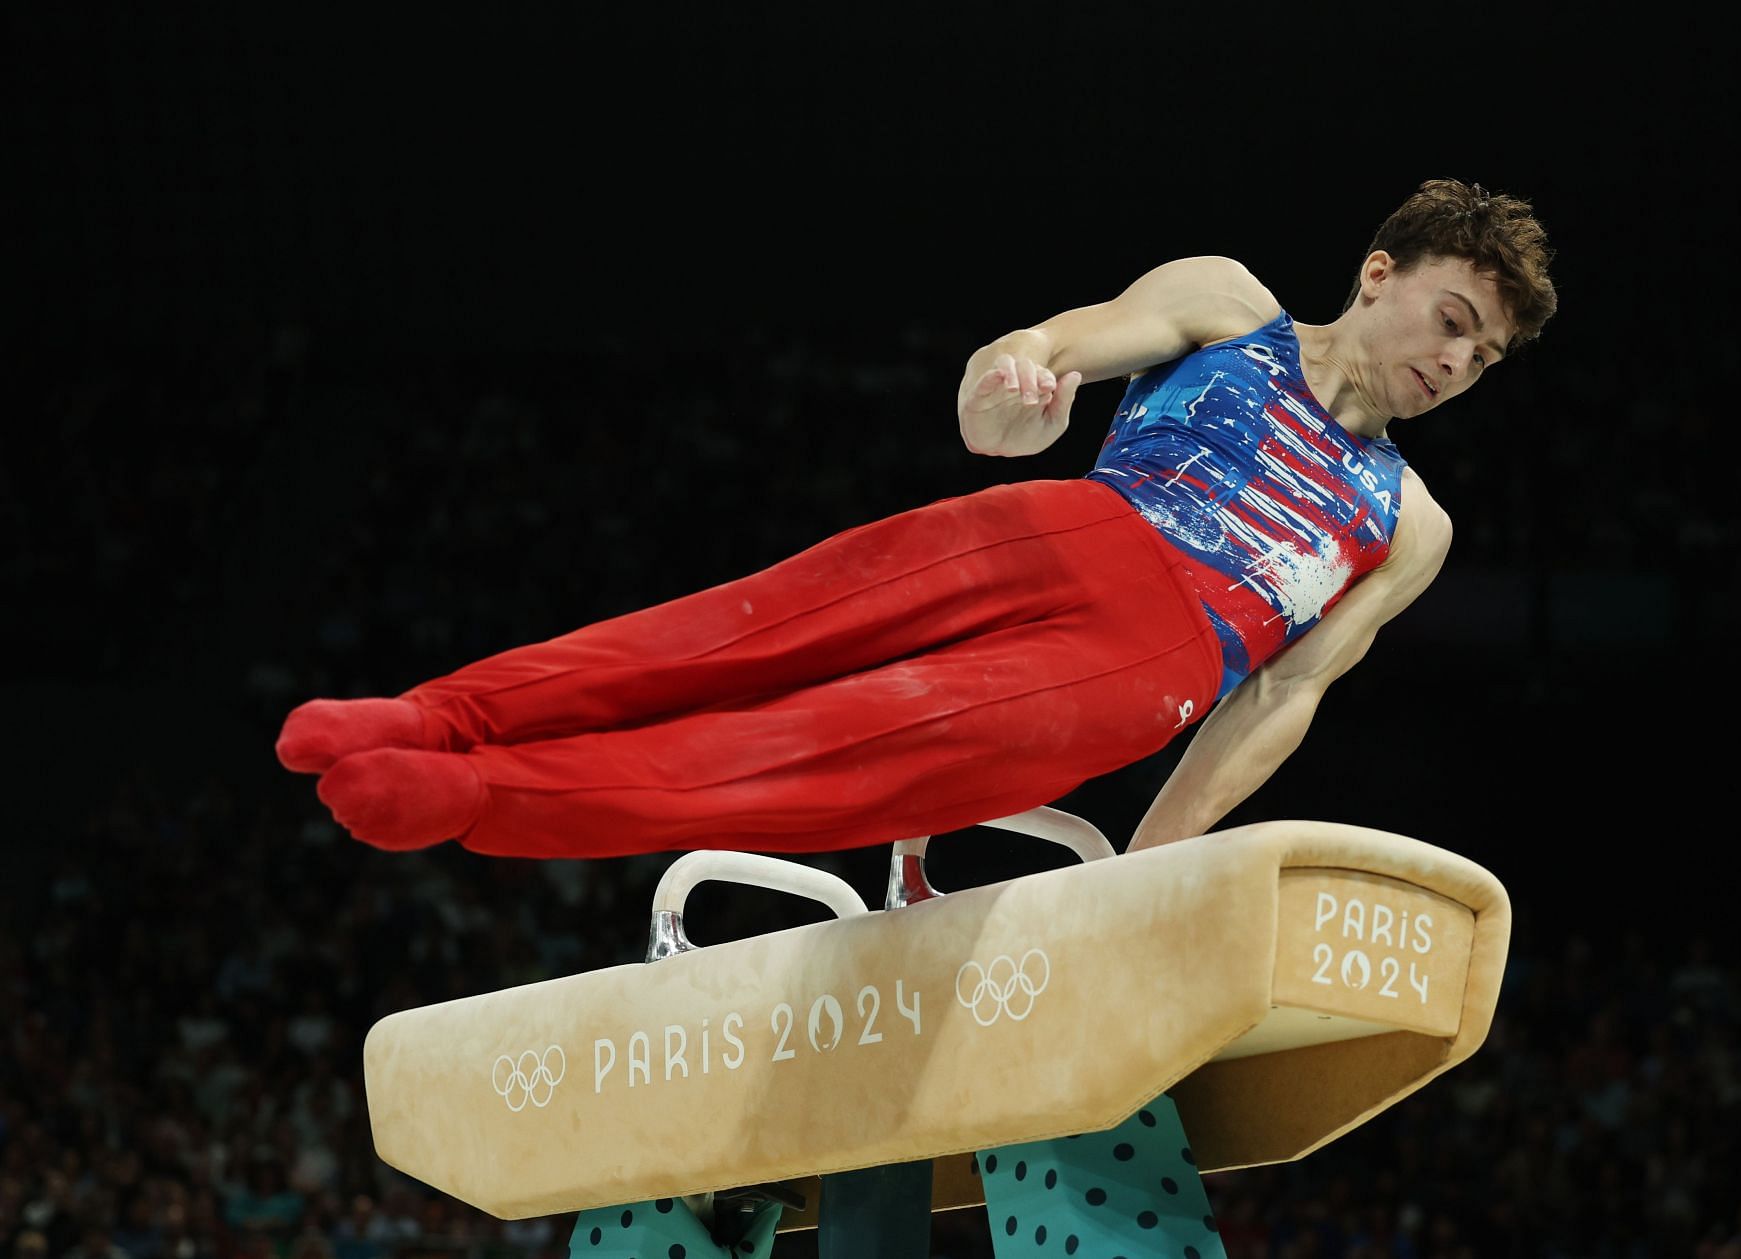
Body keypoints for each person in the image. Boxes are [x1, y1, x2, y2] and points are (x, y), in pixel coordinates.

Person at [275, 178, 1556, 859]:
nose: (1458, 365)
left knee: (810, 753)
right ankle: (434, 711)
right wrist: (1014, 391)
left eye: (1486, 358)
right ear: (1381, 271)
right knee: (739, 632)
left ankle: (474, 791)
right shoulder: (1227, 303)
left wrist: (1137, 875)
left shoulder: (1408, 524)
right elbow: (1029, 367)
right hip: (1059, 521)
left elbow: (1279, 701)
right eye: (1454, 321)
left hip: (1133, 672)